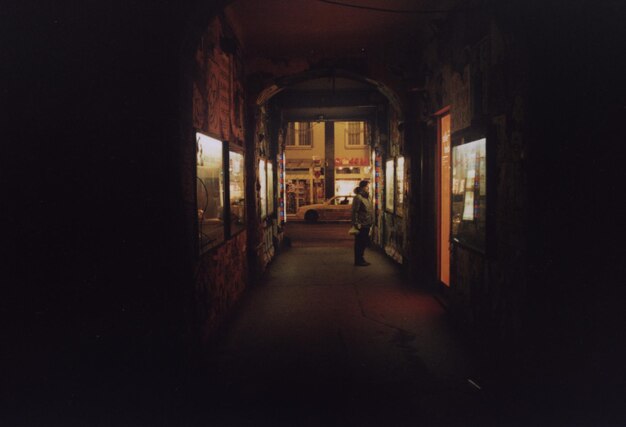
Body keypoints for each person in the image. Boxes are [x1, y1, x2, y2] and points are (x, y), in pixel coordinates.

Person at [351, 180, 373, 266]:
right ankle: (358, 260)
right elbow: (354, 211)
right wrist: (356, 223)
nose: (368, 189)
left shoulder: (368, 197)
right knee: (359, 243)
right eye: (367, 187)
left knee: (363, 243)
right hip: (361, 225)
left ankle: (361, 258)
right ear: (362, 187)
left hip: (367, 223)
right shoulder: (358, 197)